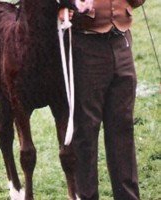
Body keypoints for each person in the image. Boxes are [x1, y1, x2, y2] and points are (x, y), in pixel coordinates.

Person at [58, 0, 146, 199]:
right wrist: (60, 7)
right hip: (85, 45)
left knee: (123, 128)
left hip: (121, 42)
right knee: (86, 131)